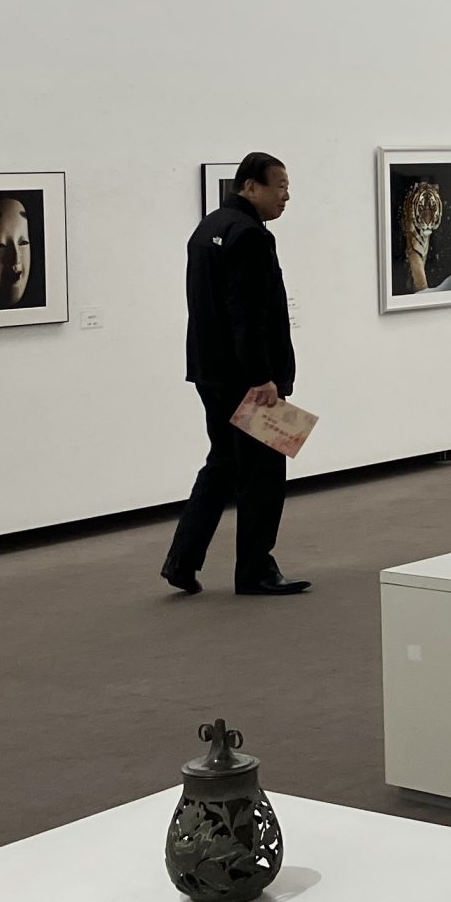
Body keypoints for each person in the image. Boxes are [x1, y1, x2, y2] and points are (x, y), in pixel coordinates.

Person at [162, 153, 307, 596]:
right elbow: (248, 314)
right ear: (250, 187)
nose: (286, 196)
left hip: (210, 372)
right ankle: (256, 570)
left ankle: (182, 560)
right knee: (264, 472)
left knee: (223, 463)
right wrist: (263, 377)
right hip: (248, 379)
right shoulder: (249, 236)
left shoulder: (208, 228)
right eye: (280, 186)